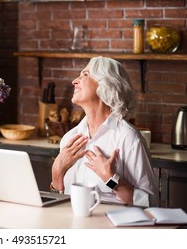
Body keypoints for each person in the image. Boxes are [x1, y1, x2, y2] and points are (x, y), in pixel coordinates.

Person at [50, 56, 159, 207]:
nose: (75, 81)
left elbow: (152, 203)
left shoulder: (128, 138)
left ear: (106, 84)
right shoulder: (70, 138)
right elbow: (57, 205)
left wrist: (111, 178)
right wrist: (57, 173)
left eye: (85, 74)